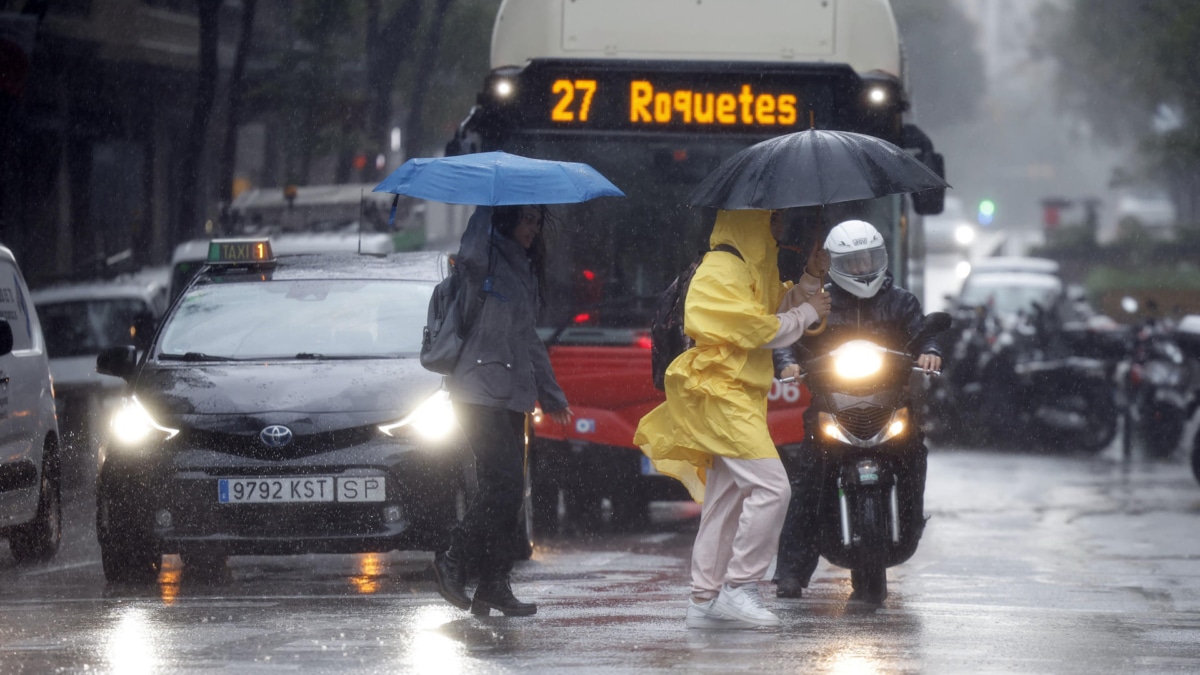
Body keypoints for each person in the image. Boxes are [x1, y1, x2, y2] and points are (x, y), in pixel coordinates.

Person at [633, 209, 831, 630]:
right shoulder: (720, 270)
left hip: (738, 395)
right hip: (720, 395)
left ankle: (705, 598)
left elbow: (779, 307)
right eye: (774, 219)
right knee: (772, 488)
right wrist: (808, 312)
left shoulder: (752, 265)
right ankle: (740, 587)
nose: (782, 227)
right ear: (752, 221)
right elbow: (760, 329)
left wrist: (811, 280)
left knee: (726, 500)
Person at [772, 219, 942, 599]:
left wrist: (930, 351)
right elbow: (789, 333)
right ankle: (792, 572)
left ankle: (910, 523)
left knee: (914, 455)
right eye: (854, 261)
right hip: (831, 401)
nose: (863, 267)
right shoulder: (821, 301)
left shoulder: (901, 300)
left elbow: (923, 331)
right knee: (808, 479)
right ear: (835, 263)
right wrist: (786, 361)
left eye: (869, 259)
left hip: (890, 401)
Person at [432, 204, 574, 617]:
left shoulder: (525, 269)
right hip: (476, 390)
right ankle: (452, 561)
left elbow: (529, 340)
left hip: (513, 395)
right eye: (527, 219)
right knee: (505, 484)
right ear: (507, 218)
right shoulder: (483, 256)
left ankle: (494, 583)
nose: (534, 228)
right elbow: (474, 245)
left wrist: (552, 395)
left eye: (537, 221)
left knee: (509, 491)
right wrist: (487, 205)